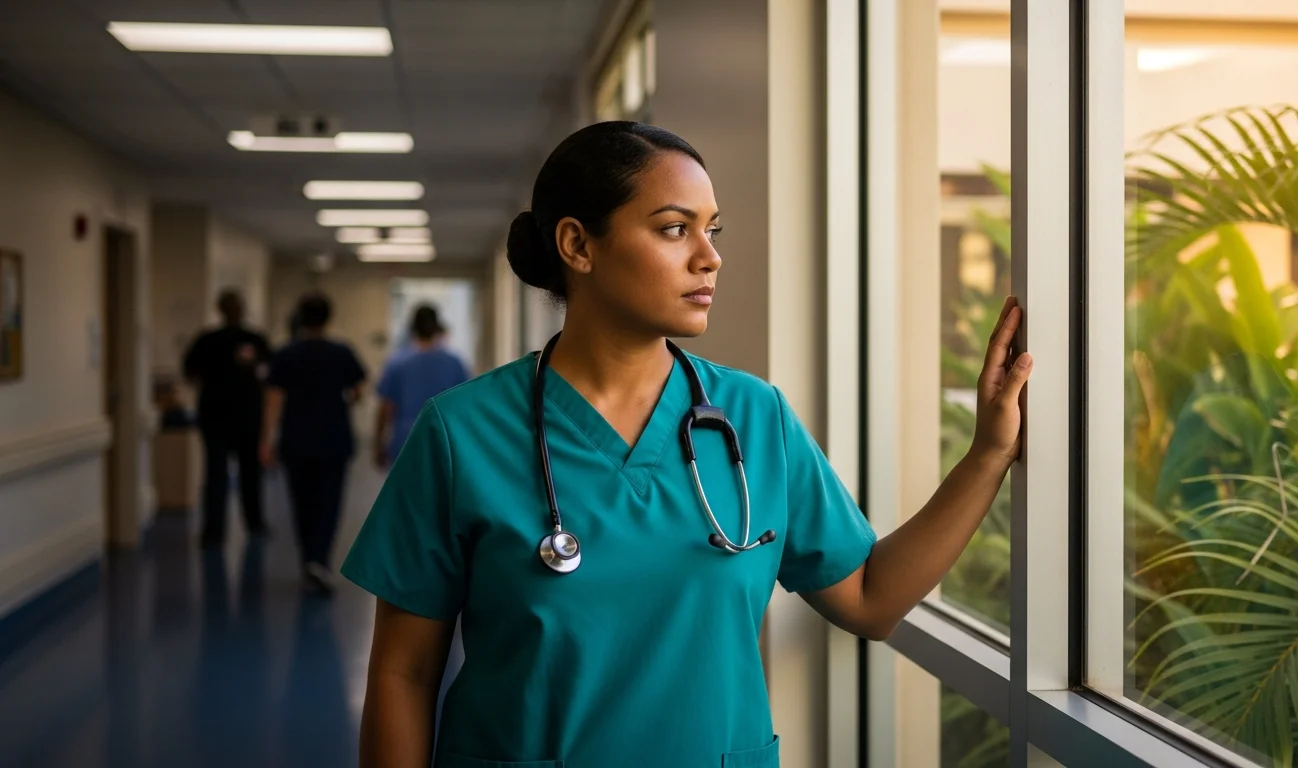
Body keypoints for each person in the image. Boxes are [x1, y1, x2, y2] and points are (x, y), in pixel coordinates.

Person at [339, 122, 1033, 767]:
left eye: (713, 230)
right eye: (675, 230)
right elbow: (405, 672)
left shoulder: (754, 418)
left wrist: (988, 456)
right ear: (578, 246)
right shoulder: (462, 433)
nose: (711, 257)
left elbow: (870, 599)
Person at [261, 292, 368, 596]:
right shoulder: (342, 353)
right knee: (329, 502)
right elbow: (358, 391)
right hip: (334, 439)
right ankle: (320, 559)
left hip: (296, 440)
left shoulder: (285, 354)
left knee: (301, 502)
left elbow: (273, 400)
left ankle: (308, 557)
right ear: (328, 318)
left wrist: (266, 440)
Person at [182, 289, 271, 549]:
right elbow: (189, 371)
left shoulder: (253, 339)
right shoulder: (209, 340)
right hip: (218, 419)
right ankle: (216, 530)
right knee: (218, 475)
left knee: (247, 474)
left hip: (242, 418)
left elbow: (269, 372)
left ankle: (251, 523)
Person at [373, 304, 471, 470]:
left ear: (412, 328)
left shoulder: (397, 362)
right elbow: (465, 406)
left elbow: (386, 407)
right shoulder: (454, 363)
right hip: (443, 441)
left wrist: (378, 444)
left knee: (407, 491)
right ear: (437, 328)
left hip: (406, 441)